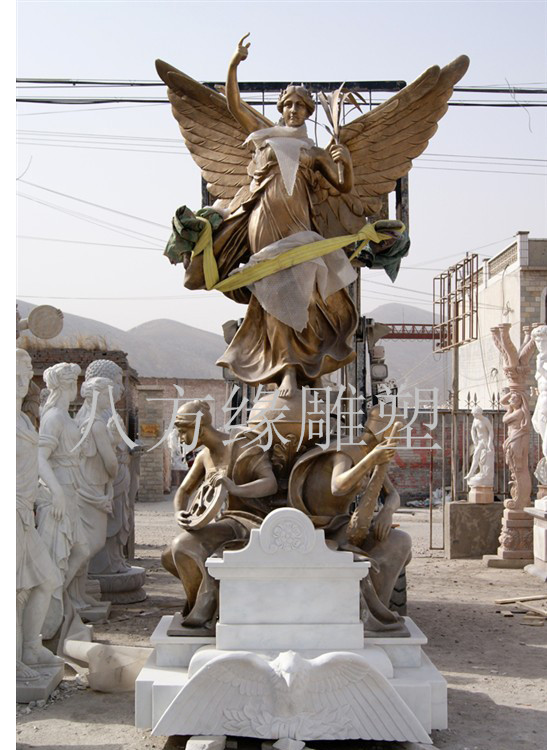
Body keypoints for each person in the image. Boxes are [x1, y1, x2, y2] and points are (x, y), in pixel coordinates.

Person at [183, 35, 359, 399]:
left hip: (301, 226)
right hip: (263, 221)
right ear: (281, 107)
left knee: (306, 295)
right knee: (274, 294)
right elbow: (233, 105)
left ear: (308, 112)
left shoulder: (314, 152)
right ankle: (287, 370)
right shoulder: (263, 138)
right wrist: (234, 63)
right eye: (288, 104)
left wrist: (347, 163)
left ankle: (309, 364)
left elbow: (343, 187)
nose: (293, 110)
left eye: (300, 106)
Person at [288, 406, 411, 633]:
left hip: (342, 527)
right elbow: (338, 486)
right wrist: (371, 460)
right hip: (315, 527)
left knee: (400, 541)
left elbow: (392, 494)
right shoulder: (348, 449)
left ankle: (377, 612)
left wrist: (387, 511)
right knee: (391, 546)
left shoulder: (372, 455)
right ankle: (368, 613)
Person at [162, 400, 277, 631]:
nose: (181, 438)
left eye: (183, 432)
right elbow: (184, 491)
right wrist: (179, 512)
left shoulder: (242, 446)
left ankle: (204, 613)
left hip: (250, 521)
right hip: (225, 522)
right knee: (168, 557)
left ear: (199, 428)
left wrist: (235, 488)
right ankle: (211, 601)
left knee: (184, 546)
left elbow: (270, 483)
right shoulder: (204, 456)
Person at [16, 349, 63, 679]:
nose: (22, 380)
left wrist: (45, 492)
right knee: (14, 591)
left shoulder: (21, 419)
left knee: (47, 579)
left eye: (26, 372)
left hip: (24, 512)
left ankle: (31, 648)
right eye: (14, 374)